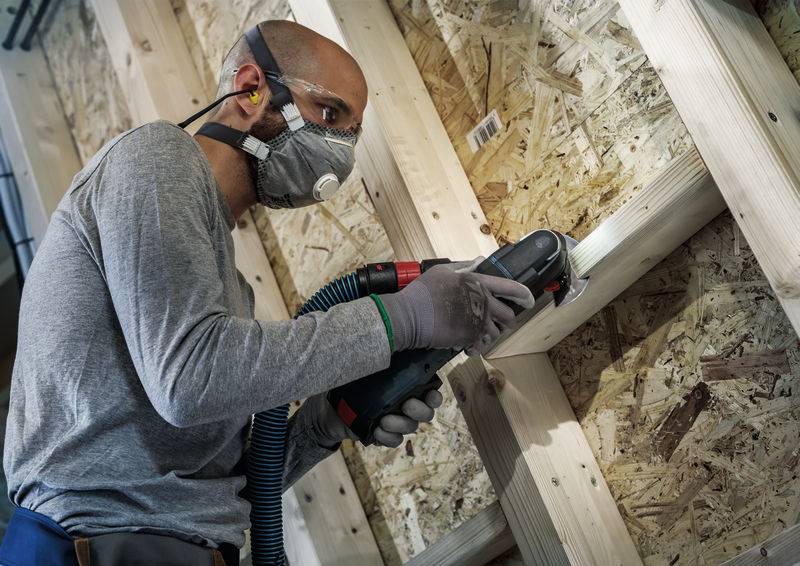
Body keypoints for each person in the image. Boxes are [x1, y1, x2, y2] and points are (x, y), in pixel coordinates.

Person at [0, 20, 533, 566]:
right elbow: (189, 381)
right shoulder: (155, 158)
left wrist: (327, 423)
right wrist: (404, 318)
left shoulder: (231, 291)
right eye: (330, 115)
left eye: (351, 134)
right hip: (93, 546)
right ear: (252, 89)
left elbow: (215, 492)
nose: (341, 153)